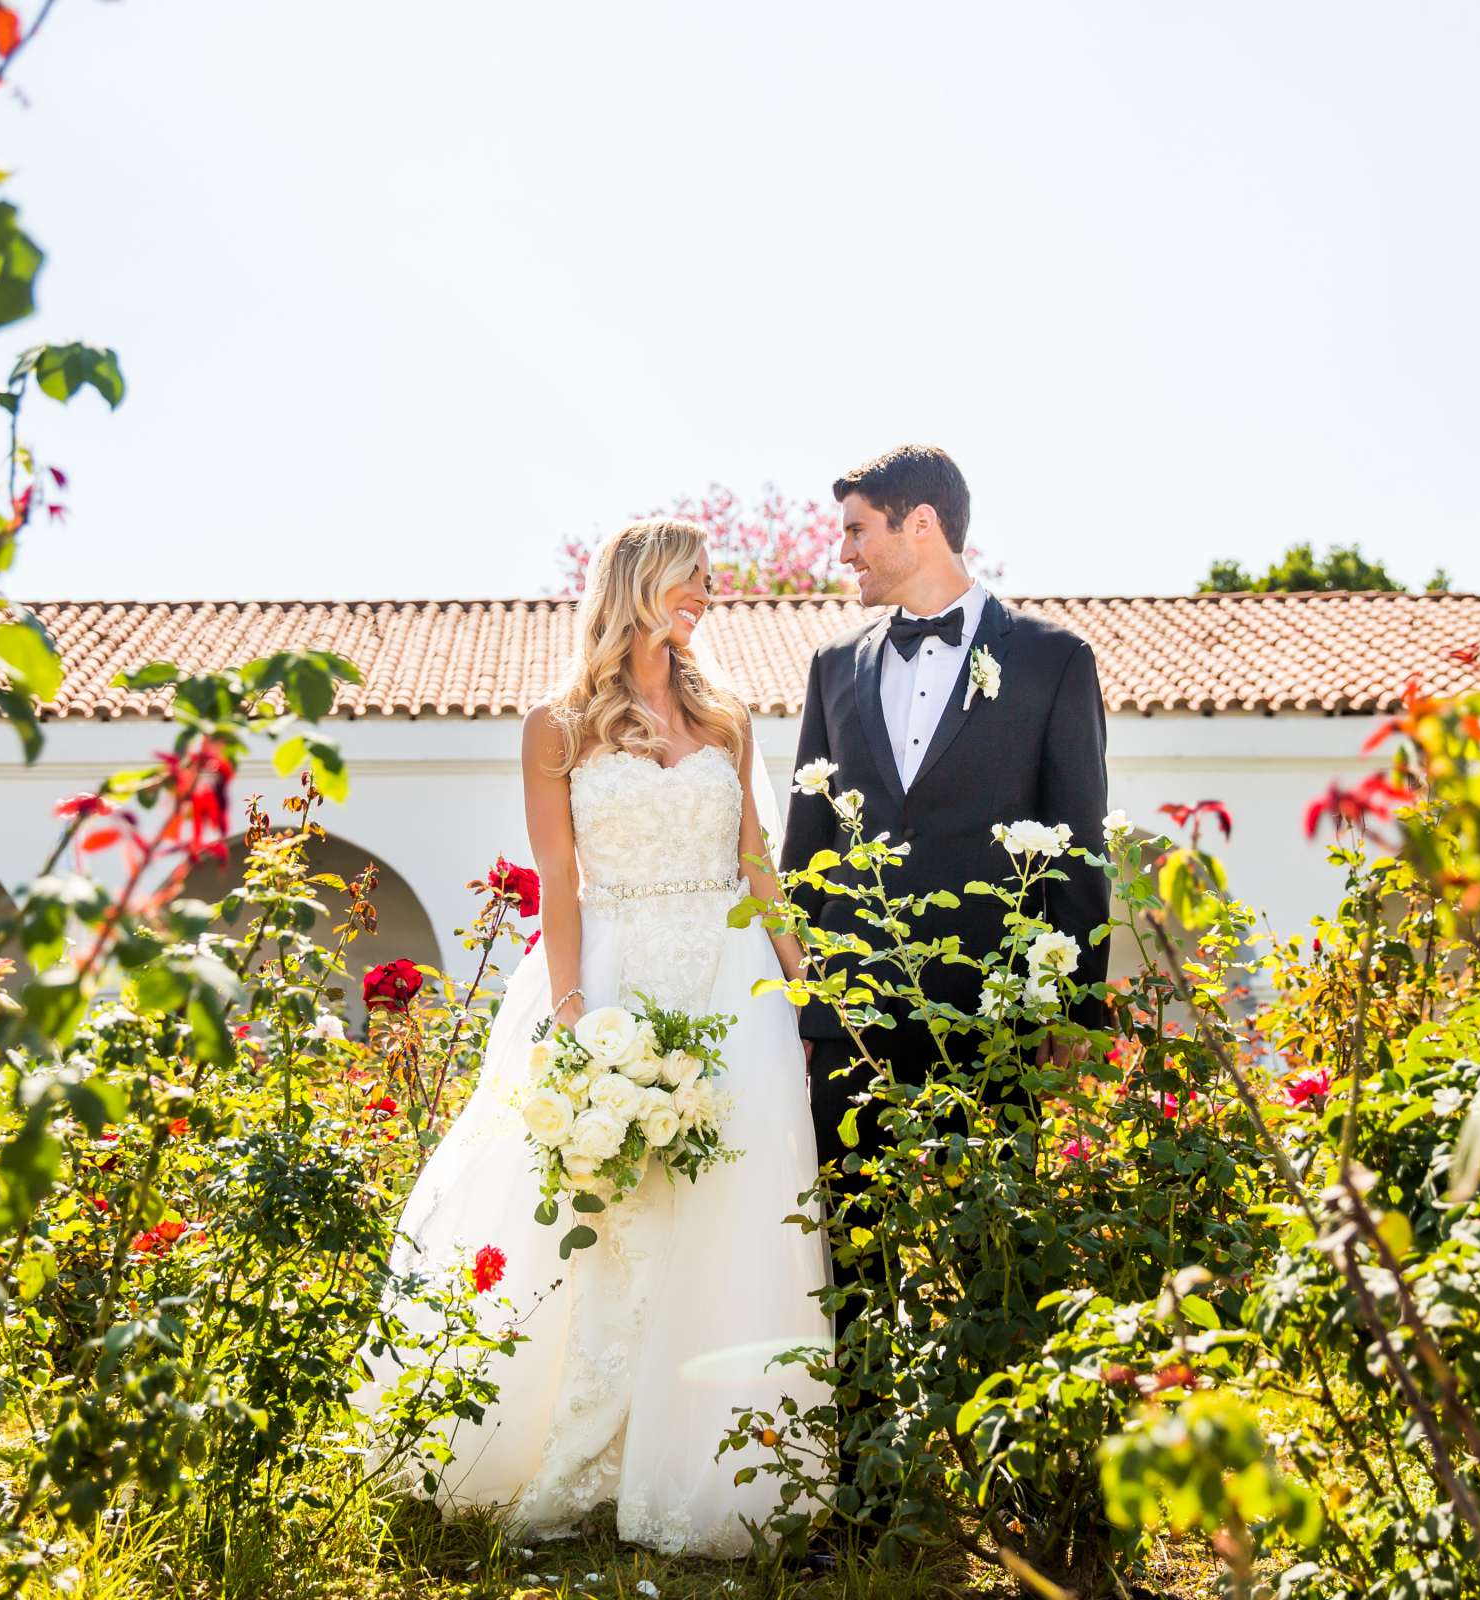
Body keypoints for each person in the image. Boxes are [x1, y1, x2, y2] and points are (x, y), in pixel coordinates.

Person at [356, 519, 831, 1558]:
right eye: (692, 579)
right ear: (638, 584)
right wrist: (574, 1018)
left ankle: (706, 1469)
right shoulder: (557, 725)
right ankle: (566, 1455)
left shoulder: (728, 719)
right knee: (596, 1209)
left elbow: (758, 860)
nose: (708, 594)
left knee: (728, 1207)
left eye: (709, 580)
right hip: (609, 972)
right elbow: (560, 884)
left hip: (731, 981)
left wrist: (805, 985)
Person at [779, 445, 1111, 1343]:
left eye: (857, 531)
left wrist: (1069, 1014)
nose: (843, 553)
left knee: (997, 1254)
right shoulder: (830, 667)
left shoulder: (1054, 661)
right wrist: (800, 1009)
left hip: (991, 1018)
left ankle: (1006, 1469)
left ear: (919, 523)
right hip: (852, 1016)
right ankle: (863, 1473)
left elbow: (1079, 851)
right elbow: (807, 847)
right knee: (848, 1252)